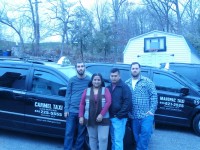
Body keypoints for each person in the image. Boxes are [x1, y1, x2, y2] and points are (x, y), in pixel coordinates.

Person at [125, 62, 158, 150]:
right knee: (136, 137)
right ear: (130, 70)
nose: (135, 70)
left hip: (146, 115)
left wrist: (152, 110)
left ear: (140, 69)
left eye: (136, 68)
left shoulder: (147, 81)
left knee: (145, 135)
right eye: (133, 68)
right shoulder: (127, 83)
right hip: (133, 116)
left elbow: (154, 96)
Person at [79, 73, 111, 150]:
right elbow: (82, 104)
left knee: (103, 138)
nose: (96, 81)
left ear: (101, 81)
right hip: (90, 118)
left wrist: (101, 114)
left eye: (98, 80)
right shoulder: (87, 90)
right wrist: (81, 116)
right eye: (95, 80)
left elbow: (109, 102)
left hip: (103, 118)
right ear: (92, 81)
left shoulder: (105, 90)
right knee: (92, 138)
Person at [64, 62, 90, 150]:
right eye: (78, 66)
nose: (80, 68)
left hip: (83, 112)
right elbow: (68, 95)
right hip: (71, 111)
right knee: (69, 133)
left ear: (85, 67)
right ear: (76, 68)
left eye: (82, 66)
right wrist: (66, 109)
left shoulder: (89, 80)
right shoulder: (71, 80)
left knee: (81, 134)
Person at [107, 68, 132, 150]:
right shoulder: (108, 87)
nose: (113, 77)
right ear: (110, 76)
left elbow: (127, 103)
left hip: (119, 119)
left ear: (119, 76)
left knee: (118, 140)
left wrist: (119, 115)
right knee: (113, 139)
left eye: (115, 76)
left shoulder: (124, 87)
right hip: (110, 117)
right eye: (112, 76)